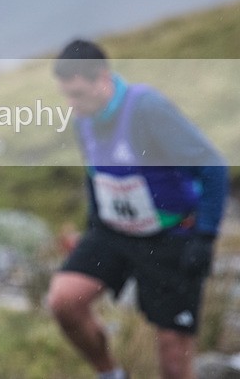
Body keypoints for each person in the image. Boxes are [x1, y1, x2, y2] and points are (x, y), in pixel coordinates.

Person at [47, 39, 228, 379]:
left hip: (171, 236)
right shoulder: (84, 119)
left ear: (102, 78)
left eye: (77, 94)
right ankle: (112, 375)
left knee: (174, 361)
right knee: (64, 300)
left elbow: (213, 166)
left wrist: (205, 236)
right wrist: (91, 230)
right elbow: (95, 176)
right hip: (114, 233)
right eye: (66, 96)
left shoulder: (147, 108)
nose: (71, 105)